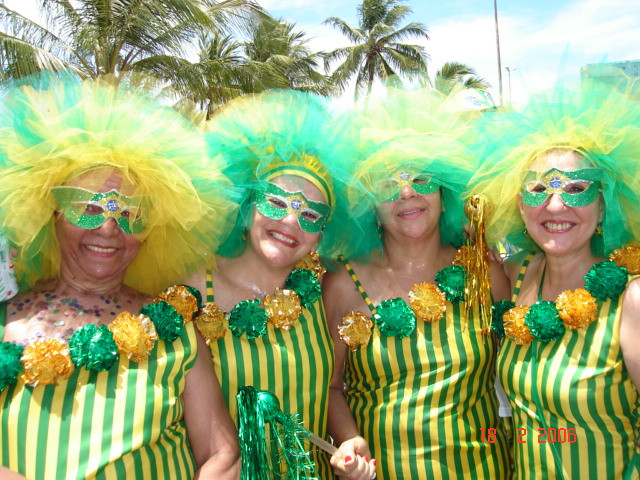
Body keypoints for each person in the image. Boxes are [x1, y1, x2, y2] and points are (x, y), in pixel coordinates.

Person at [0, 77, 240, 479]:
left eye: (129, 214)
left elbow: (223, 454)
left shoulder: (172, 327)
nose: (109, 229)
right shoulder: (7, 322)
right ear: (52, 213)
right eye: (88, 208)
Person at [323, 86, 512, 480]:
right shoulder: (342, 284)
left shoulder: (485, 273)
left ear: (445, 192)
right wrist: (349, 439)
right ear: (369, 204)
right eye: (388, 183)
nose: (407, 192)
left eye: (422, 178)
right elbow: (330, 387)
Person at [186, 89, 375, 479]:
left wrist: (349, 442)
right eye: (276, 202)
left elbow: (332, 390)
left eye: (311, 215)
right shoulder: (190, 289)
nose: (291, 222)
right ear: (247, 205)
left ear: (322, 234)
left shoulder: (322, 290)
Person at [470, 77, 640, 478]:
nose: (556, 205)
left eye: (577, 189)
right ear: (520, 205)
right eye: (538, 189)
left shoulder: (630, 299)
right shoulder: (516, 274)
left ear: (603, 206)